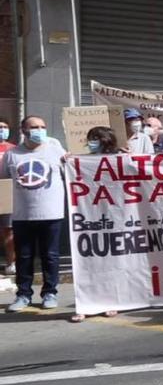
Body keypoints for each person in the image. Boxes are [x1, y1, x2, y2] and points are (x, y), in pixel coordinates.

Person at [3, 116, 67, 313]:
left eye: (43, 126)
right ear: (24, 130)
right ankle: (23, 295)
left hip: (52, 213)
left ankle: (50, 293)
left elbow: (79, 171)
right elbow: (3, 181)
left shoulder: (56, 150)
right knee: (24, 257)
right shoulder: (12, 154)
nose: (39, 130)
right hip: (22, 215)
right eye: (34, 127)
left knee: (51, 256)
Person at [70, 126, 125, 322]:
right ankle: (85, 303)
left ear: (106, 140)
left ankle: (111, 301)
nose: (91, 142)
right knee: (86, 261)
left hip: (116, 218)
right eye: (90, 138)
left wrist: (134, 159)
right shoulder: (82, 161)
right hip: (88, 218)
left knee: (111, 263)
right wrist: (67, 162)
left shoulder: (122, 159)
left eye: (96, 138)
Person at [0, 119, 15, 276]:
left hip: (6, 193)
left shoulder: (13, 149)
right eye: (0, 127)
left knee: (8, 230)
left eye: (5, 127)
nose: (2, 130)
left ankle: (12, 263)